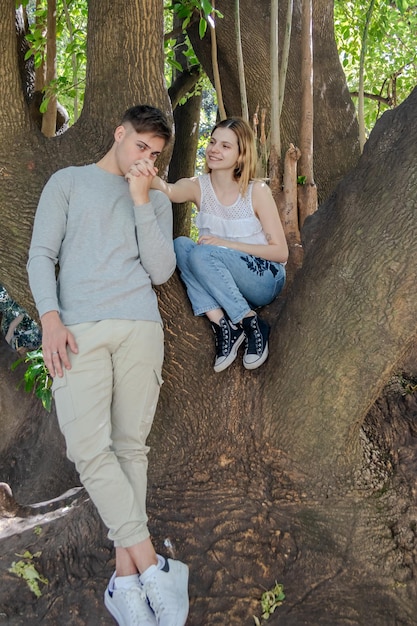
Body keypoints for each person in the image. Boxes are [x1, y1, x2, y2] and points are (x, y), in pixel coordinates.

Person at [27, 105, 189, 626]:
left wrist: (144, 199)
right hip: (79, 332)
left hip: (141, 328)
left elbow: (162, 271)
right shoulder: (68, 182)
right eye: (141, 146)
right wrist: (50, 321)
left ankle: (125, 583)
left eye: (156, 155)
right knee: (87, 448)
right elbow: (39, 255)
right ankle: (155, 565)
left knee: (129, 449)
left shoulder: (154, 197)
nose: (148, 160)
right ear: (119, 133)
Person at [132, 117, 288, 372]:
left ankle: (251, 323)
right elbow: (168, 190)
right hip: (223, 281)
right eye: (213, 142)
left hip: (265, 278)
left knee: (202, 253)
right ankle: (223, 325)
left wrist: (225, 245)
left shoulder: (256, 190)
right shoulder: (198, 186)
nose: (214, 149)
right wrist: (144, 170)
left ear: (241, 155)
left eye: (226, 146)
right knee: (181, 245)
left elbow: (281, 252)